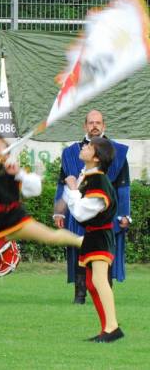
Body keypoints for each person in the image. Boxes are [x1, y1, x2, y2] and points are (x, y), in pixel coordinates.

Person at [0, 135, 83, 330]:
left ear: (7, 152)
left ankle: (84, 242)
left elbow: (35, 189)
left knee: (52, 236)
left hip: (15, 221)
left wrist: (19, 173)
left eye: (1, 147)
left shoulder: (14, 169)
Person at [53, 110, 131, 304]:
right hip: (78, 209)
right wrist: (58, 211)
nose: (94, 126)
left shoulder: (118, 152)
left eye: (98, 123)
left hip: (105, 211)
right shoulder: (71, 153)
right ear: (85, 126)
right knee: (79, 249)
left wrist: (124, 213)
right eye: (91, 123)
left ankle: (105, 292)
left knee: (104, 252)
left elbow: (123, 185)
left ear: (104, 126)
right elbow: (63, 183)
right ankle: (80, 294)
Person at [63, 137, 123, 342]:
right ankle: (107, 328)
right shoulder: (89, 177)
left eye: (89, 147)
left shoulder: (98, 180)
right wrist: (73, 189)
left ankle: (112, 327)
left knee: (98, 280)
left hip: (99, 235)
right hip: (93, 234)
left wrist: (72, 190)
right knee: (91, 283)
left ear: (96, 157)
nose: (84, 147)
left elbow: (80, 213)